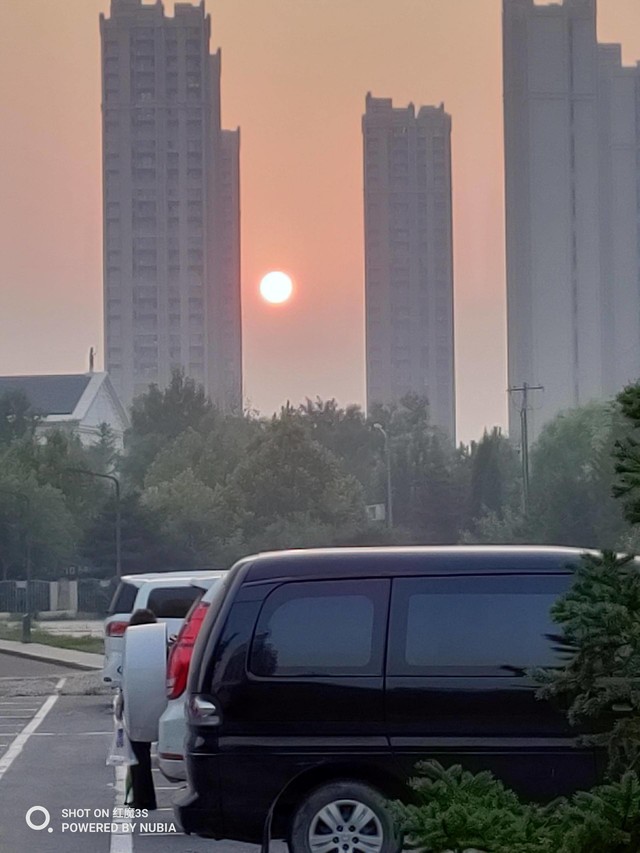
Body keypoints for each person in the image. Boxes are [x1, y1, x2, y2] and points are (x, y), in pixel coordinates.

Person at [115, 608, 158, 811]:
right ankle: (144, 799)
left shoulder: (132, 649)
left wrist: (120, 704)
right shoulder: (161, 647)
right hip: (159, 702)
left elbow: (125, 679)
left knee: (139, 755)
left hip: (138, 704)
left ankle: (143, 799)